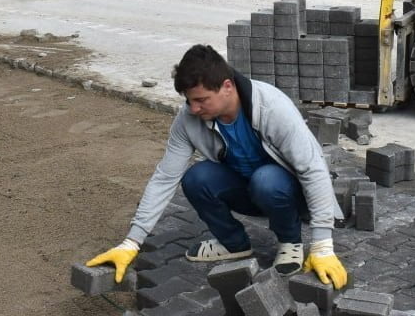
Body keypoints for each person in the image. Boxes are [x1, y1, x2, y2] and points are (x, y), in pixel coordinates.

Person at [87, 44, 348, 288]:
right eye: (189, 100)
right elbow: (165, 177)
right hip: (247, 189)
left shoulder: (272, 106)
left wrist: (322, 245)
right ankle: (233, 243)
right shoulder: (188, 118)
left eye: (201, 100)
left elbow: (313, 169)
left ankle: (290, 241)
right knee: (196, 177)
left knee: (266, 179)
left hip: (286, 192)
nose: (194, 108)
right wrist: (132, 242)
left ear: (226, 86)